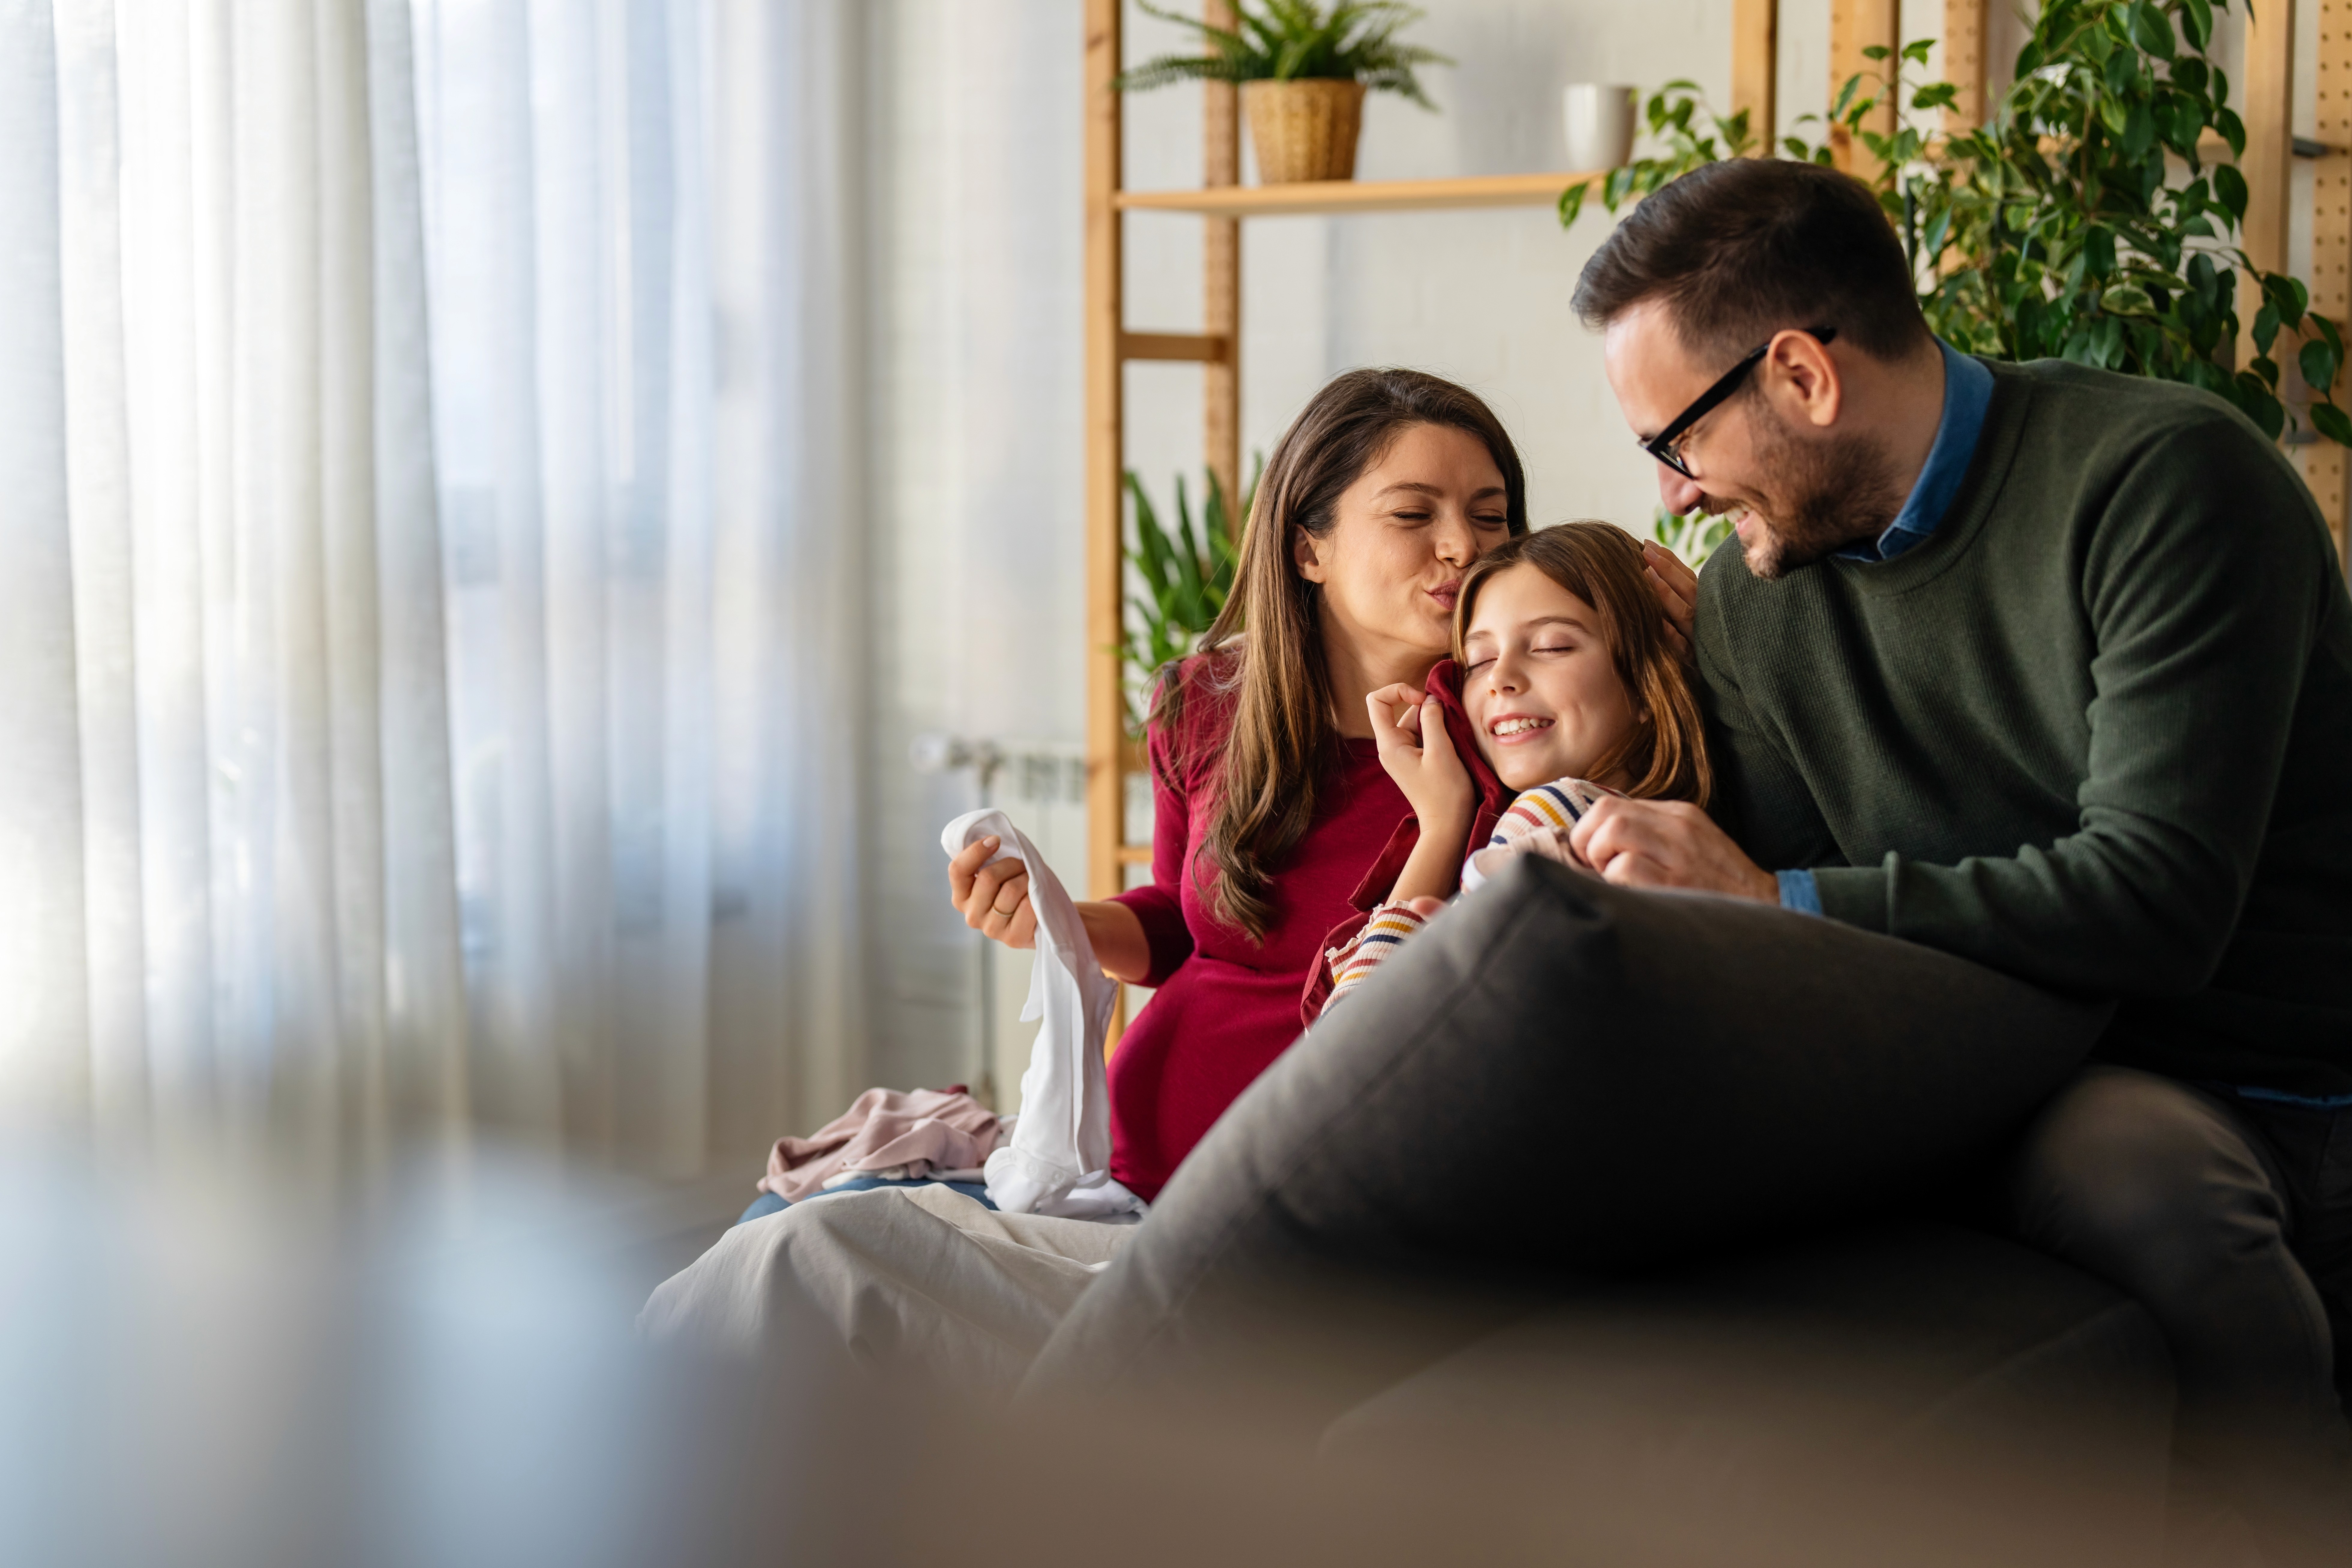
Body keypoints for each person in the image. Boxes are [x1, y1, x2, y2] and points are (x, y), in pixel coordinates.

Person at [1023, 158, 2352, 1565]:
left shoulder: (2161, 483)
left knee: (2138, 1174)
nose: (1669, 484)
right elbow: (1743, 866)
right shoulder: (1754, 592)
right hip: (1970, 1040)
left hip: (2210, 1059)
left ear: (1802, 376)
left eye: (1674, 438)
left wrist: (1766, 899)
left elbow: (2157, 903)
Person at [645, 368, 1539, 1387]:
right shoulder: (1205, 706)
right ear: (1308, 544)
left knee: (799, 1263)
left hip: (1278, 1222)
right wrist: (1060, 920)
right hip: (1118, 1174)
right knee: (778, 1244)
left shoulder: (1506, 741)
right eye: (1414, 513)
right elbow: (1191, 924)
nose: (1463, 545)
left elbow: (1426, 1007)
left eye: (1491, 515)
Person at [1320, 521, 1710, 1008]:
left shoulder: (1559, 815)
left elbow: (1349, 1041)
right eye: (1478, 660)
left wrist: (1441, 825)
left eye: (1551, 647)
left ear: (1648, 680)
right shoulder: (1679, 848)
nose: (1499, 679)